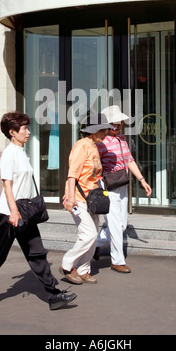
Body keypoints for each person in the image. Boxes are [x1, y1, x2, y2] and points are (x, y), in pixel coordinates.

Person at [0, 111, 77, 311]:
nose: (29, 132)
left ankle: (54, 296)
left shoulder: (23, 152)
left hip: (25, 212)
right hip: (10, 215)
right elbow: (7, 186)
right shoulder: (8, 154)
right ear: (13, 132)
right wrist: (13, 212)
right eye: (24, 129)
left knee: (37, 254)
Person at [95, 105, 152, 273]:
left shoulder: (122, 139)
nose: (118, 124)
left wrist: (142, 180)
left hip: (122, 184)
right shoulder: (101, 141)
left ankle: (95, 244)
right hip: (108, 186)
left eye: (120, 121)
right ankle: (117, 261)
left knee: (121, 225)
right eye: (115, 122)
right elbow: (95, 165)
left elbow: (129, 160)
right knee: (114, 224)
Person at [60, 113, 113, 285]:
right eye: (104, 130)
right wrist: (69, 198)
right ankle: (67, 264)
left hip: (92, 198)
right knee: (88, 234)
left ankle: (83, 269)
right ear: (94, 130)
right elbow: (72, 175)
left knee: (93, 234)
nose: (106, 133)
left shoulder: (93, 146)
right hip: (78, 198)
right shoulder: (81, 146)